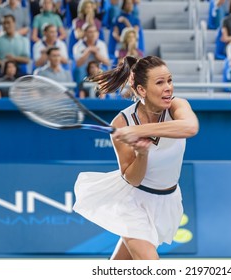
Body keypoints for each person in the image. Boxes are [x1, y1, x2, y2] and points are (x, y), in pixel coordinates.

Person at [73, 55, 199, 260]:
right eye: (160, 82)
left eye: (169, 80)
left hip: (167, 199)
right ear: (141, 90)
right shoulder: (121, 123)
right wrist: (142, 154)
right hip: (132, 200)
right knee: (150, 265)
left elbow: (190, 127)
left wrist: (139, 130)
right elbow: (133, 179)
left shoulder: (177, 106)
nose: (168, 87)